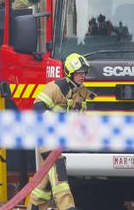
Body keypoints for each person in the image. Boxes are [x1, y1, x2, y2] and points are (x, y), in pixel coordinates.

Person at [29, 53, 96, 210]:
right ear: (70, 72)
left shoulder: (80, 93)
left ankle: (35, 206)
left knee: (43, 182)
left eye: (84, 73)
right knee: (59, 170)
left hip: (59, 142)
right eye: (80, 73)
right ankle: (67, 207)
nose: (83, 76)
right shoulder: (56, 87)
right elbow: (38, 108)